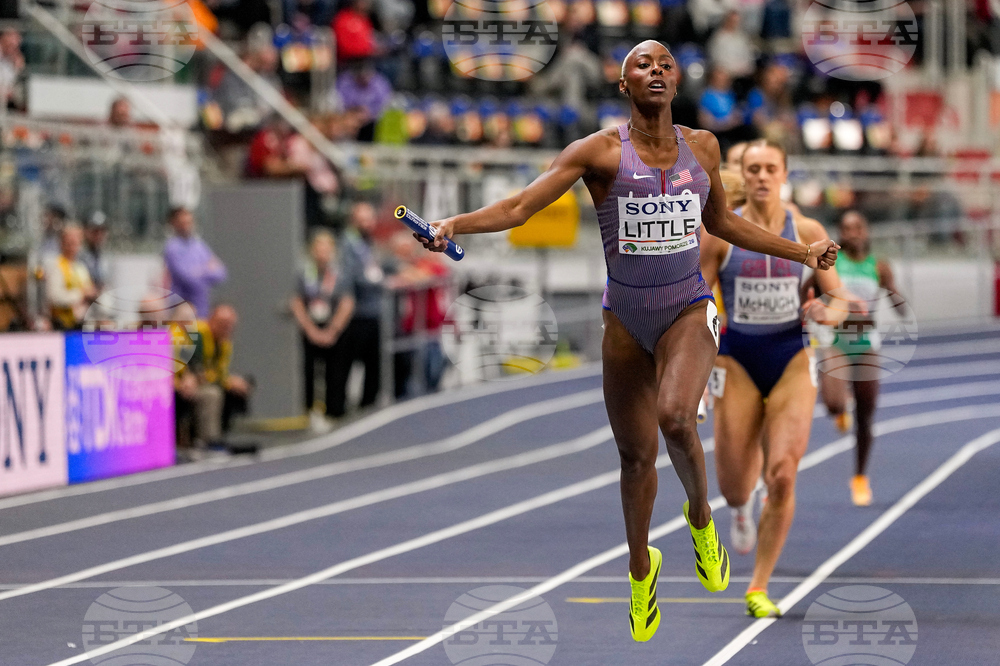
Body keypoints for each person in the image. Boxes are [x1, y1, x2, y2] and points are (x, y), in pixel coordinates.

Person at [415, 40, 838, 642]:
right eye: (643, 64)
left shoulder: (704, 148)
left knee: (675, 418)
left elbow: (721, 223)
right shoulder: (600, 154)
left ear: (676, 80)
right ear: (624, 84)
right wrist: (454, 225)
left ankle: (700, 519)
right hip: (625, 320)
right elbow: (518, 206)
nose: (657, 71)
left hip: (687, 308)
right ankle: (642, 569)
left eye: (666, 63)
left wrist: (803, 253)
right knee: (635, 459)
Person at [699, 139, 848, 619]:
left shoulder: (805, 228)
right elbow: (697, 303)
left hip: (790, 355)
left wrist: (827, 310)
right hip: (736, 358)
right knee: (735, 484)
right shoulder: (720, 233)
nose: (762, 176)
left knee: (782, 473)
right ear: (743, 173)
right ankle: (741, 509)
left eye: (771, 168)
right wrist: (699, 367)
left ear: (785, 174)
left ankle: (758, 586)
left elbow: (841, 300)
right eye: (753, 168)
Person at [818, 210, 906, 507]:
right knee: (833, 404)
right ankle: (839, 407)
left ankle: (859, 477)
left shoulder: (878, 265)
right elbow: (811, 290)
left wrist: (899, 303)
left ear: (866, 231)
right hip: (836, 341)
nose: (853, 232)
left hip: (867, 343)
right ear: (840, 233)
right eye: (846, 227)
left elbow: (893, 294)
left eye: (858, 227)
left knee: (866, 415)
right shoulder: (832, 262)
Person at [290, 229, 356, 430]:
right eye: (319, 249)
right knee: (309, 371)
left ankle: (335, 411)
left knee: (336, 371)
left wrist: (332, 330)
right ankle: (310, 410)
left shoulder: (340, 273)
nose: (322, 253)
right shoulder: (304, 273)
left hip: (334, 326)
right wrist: (310, 330)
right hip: (312, 326)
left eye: (327, 249)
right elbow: (297, 301)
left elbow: (347, 302)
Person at [175, 304, 253, 455]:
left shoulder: (224, 342)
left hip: (203, 382)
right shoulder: (197, 335)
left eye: (230, 326)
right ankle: (208, 440)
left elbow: (220, 371)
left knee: (238, 388)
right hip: (182, 383)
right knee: (212, 394)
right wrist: (189, 377)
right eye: (223, 325)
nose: (227, 329)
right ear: (211, 320)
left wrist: (229, 381)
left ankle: (221, 433)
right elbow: (191, 366)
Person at [338, 200, 393, 412]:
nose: (367, 223)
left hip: (374, 310)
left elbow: (378, 266)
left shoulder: (369, 242)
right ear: (353, 221)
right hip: (356, 312)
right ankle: (341, 406)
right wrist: (381, 282)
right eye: (362, 219)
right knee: (348, 362)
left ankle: (368, 403)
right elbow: (355, 277)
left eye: (369, 219)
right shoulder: (348, 243)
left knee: (374, 363)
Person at [163, 207, 228, 319]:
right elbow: (186, 278)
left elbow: (221, 273)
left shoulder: (199, 246)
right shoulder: (172, 248)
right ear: (174, 224)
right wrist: (206, 270)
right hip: (181, 308)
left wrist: (197, 271)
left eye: (189, 222)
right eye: (183, 222)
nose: (187, 225)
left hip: (202, 308)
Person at [45, 223, 96, 330]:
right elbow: (54, 296)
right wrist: (81, 295)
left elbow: (89, 291)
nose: (73, 246)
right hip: (62, 325)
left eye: (76, 242)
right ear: (62, 243)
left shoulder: (80, 267)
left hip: (82, 322)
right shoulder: (56, 266)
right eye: (70, 242)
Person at [80, 211, 110, 292]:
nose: (98, 235)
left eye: (102, 231)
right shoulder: (78, 255)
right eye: (95, 231)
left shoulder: (107, 256)